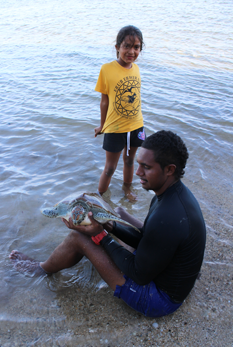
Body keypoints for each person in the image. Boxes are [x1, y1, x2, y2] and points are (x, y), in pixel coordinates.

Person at [10, 130, 206, 318]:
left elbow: (138, 274)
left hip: (159, 299)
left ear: (169, 169)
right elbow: (147, 237)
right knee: (113, 214)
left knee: (78, 238)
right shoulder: (173, 194)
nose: (137, 172)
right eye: (138, 164)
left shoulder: (168, 218)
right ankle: (105, 229)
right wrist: (109, 227)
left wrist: (100, 236)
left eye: (146, 167)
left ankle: (41, 269)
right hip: (166, 271)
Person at [94, 25, 146, 201]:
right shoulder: (107, 69)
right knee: (110, 168)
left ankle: (127, 190)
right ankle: (99, 199)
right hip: (115, 128)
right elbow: (105, 101)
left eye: (136, 47)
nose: (131, 51)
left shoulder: (137, 69)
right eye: (126, 46)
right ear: (117, 47)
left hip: (136, 126)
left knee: (130, 161)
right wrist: (102, 125)